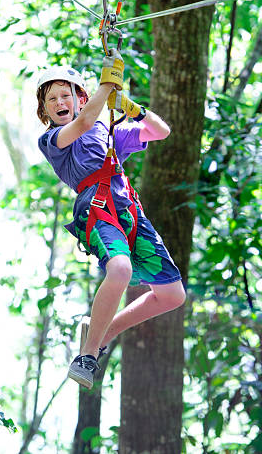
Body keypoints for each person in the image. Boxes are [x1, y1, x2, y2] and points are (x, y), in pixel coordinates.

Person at [36, 50, 186, 389]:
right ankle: (87, 356)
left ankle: (103, 333)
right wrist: (107, 83)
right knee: (120, 269)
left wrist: (131, 106)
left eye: (66, 94)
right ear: (45, 111)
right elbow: (85, 121)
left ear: (79, 98)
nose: (59, 101)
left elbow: (160, 131)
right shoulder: (54, 140)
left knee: (173, 295)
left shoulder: (108, 132)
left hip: (130, 212)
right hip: (97, 207)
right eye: (51, 99)